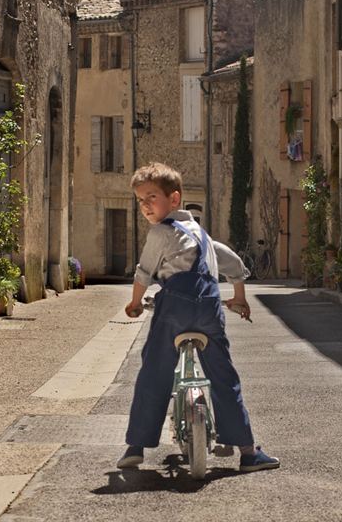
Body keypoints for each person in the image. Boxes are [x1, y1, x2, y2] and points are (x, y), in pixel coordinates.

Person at [117, 161, 279, 473]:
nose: (145, 206)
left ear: (174, 199)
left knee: (154, 372)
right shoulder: (203, 237)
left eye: (151, 197)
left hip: (174, 311)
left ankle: (136, 446)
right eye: (140, 201)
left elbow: (145, 272)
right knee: (223, 378)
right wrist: (240, 299)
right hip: (209, 311)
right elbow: (234, 266)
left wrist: (135, 303)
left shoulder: (161, 232)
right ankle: (248, 452)